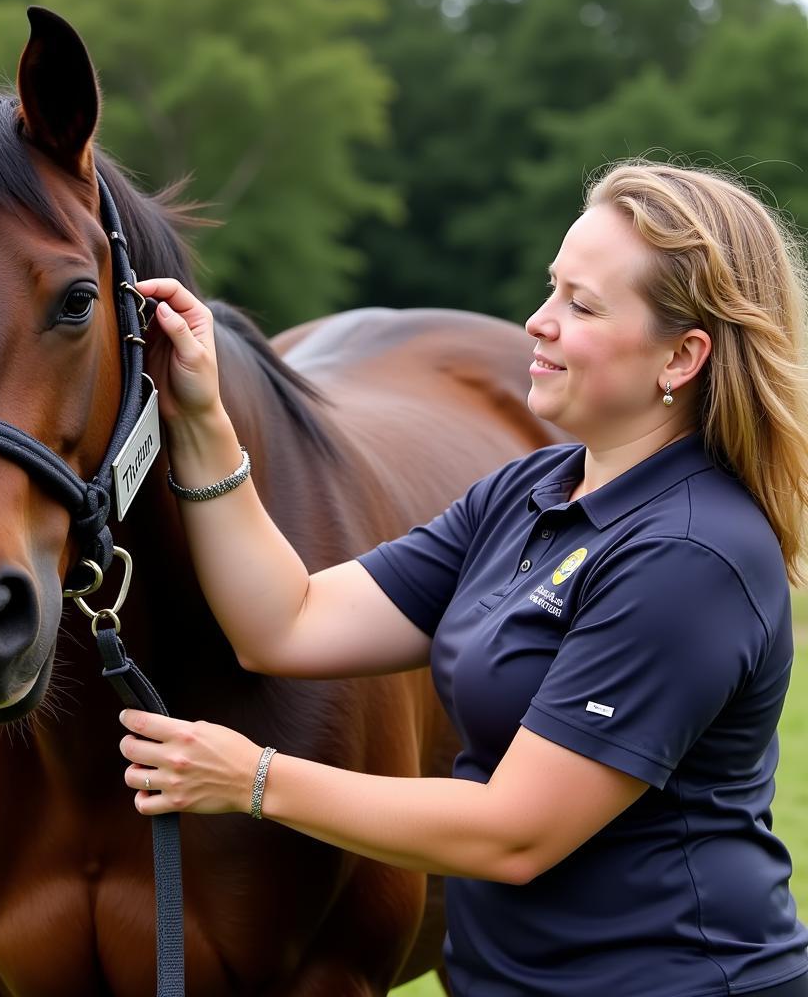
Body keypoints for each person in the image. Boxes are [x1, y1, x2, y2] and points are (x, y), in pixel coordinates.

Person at [119, 161, 808, 996]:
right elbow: (287, 623)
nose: (537, 323)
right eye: (552, 290)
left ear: (682, 356)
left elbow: (515, 833)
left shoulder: (691, 555)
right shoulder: (530, 492)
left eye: (581, 306)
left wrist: (254, 779)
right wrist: (201, 418)